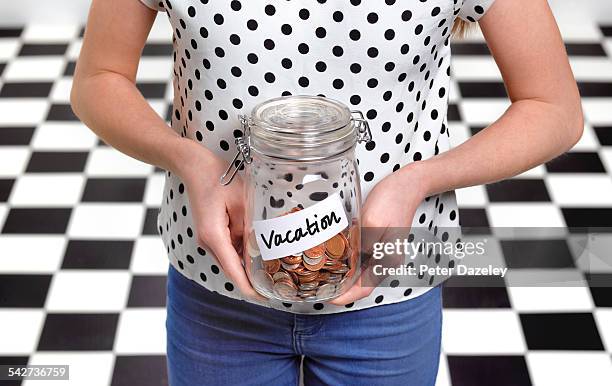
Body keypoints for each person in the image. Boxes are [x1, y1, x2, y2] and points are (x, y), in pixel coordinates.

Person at [71, 0, 583, 384]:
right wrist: (195, 163)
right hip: (218, 284)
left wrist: (415, 181)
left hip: (391, 284)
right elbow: (99, 78)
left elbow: (554, 108)